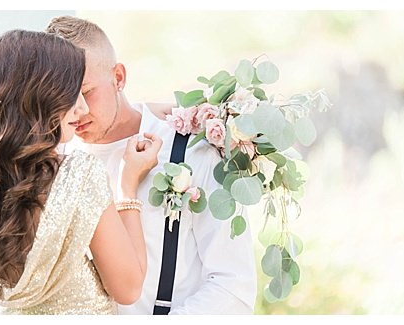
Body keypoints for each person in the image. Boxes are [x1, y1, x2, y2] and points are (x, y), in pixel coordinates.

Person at [45, 16, 257, 315]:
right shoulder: (50, 163)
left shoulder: (192, 146)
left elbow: (234, 285)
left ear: (118, 77)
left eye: (86, 91)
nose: (76, 109)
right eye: (61, 96)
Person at [0, 29, 162, 314]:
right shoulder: (78, 176)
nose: (82, 108)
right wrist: (128, 189)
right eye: (73, 93)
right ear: (40, 98)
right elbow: (128, 287)